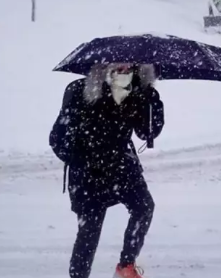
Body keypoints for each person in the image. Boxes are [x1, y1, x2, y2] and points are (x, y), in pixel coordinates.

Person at [49, 63, 165, 278]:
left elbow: (146, 133)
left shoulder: (140, 91)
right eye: (117, 62)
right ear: (103, 65)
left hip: (122, 166)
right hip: (88, 173)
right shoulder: (79, 89)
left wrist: (152, 103)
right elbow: (58, 138)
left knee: (144, 208)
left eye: (129, 62)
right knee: (89, 231)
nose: (124, 67)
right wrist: (81, 160)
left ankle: (126, 266)